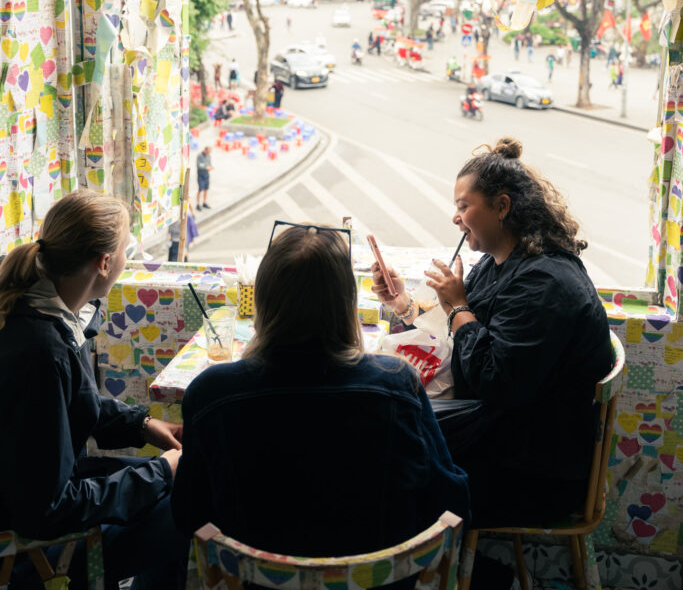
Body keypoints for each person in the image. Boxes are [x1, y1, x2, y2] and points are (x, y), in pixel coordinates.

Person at [171, 225, 470, 555]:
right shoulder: (396, 383)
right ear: (347, 303)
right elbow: (450, 501)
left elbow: (187, 516)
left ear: (263, 300)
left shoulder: (210, 393)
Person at [371, 137, 611, 532]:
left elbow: (494, 380)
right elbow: (461, 339)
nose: (455, 217)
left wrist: (458, 307)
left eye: (464, 206)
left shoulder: (544, 285)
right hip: (507, 441)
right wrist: (403, 305)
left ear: (502, 206)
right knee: (386, 441)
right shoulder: (501, 263)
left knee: (387, 472)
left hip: (534, 474)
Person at [0, 190, 189, 589]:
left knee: (184, 483)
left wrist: (143, 425)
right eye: (125, 250)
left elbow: (76, 404)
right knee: (190, 501)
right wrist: (160, 472)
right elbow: (48, 509)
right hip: (33, 547)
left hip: (42, 493)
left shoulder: (47, 314)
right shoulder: (42, 351)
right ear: (105, 263)